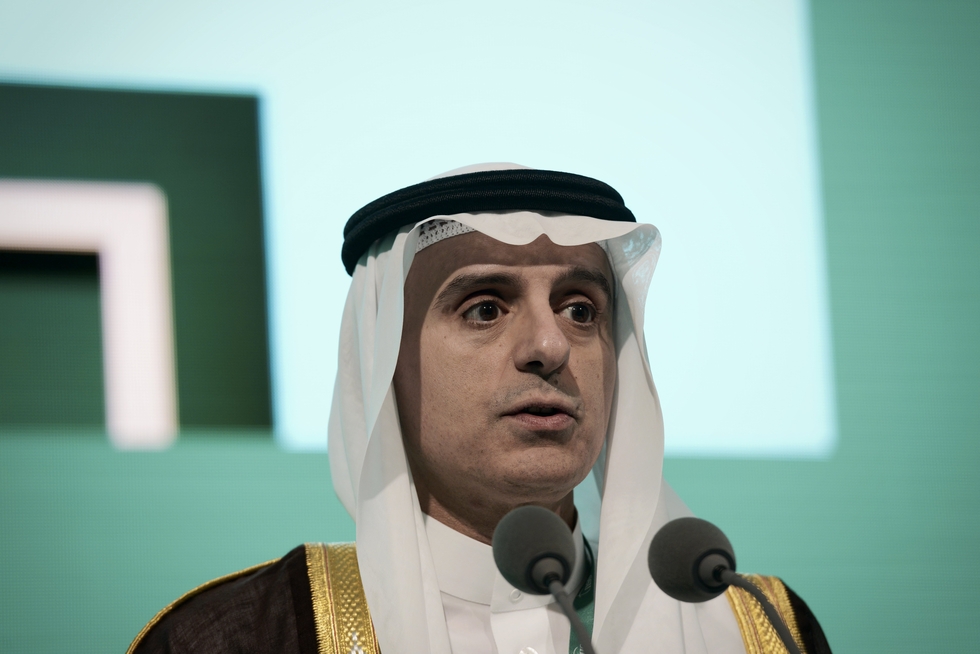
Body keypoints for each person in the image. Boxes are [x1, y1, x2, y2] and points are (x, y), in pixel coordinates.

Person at [129, 163, 830, 654]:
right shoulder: (240, 637)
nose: (550, 346)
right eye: (485, 308)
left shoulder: (756, 631)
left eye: (580, 309)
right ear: (384, 364)